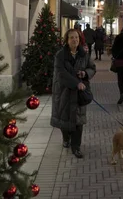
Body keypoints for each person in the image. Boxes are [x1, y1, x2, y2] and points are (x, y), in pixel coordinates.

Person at [50, 28, 96, 158]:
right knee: (64, 120)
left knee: (78, 121)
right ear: (67, 40)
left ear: (79, 39)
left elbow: (92, 68)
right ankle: (66, 138)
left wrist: (85, 73)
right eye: (71, 38)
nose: (74, 40)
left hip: (80, 94)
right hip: (64, 92)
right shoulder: (60, 55)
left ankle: (76, 147)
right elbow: (61, 73)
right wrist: (76, 83)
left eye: (76, 37)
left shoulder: (84, 54)